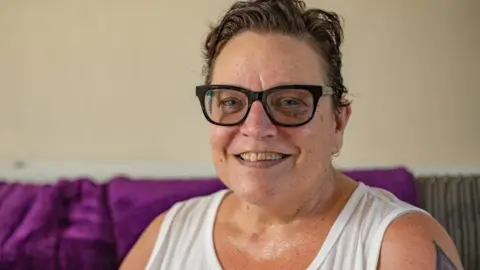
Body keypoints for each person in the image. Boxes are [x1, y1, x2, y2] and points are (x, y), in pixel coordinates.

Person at [120, 0, 463, 269]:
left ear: (338, 123)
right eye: (231, 101)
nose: (255, 127)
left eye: (289, 102)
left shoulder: (399, 244)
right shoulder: (168, 235)